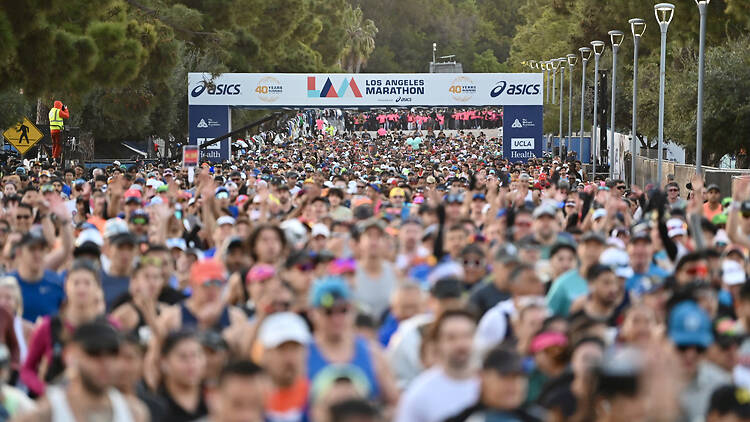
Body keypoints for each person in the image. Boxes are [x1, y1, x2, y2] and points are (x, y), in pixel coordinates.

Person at [16, 321, 149, 421]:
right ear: (71, 355)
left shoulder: (134, 413)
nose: (105, 363)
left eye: (112, 353)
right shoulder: (44, 414)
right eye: (94, 353)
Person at [307, 276, 398, 407]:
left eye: (343, 310)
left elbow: (395, 403)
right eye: (328, 312)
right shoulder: (302, 355)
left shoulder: (372, 352)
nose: (336, 318)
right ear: (312, 313)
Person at [21, 258, 106, 396]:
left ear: (97, 288)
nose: (81, 288)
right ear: (66, 285)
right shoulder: (49, 326)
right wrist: (45, 391)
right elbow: (27, 369)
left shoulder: (109, 327)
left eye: (87, 283)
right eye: (76, 282)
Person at [394, 309, 479, 422]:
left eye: (467, 336)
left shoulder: (493, 385)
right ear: (438, 343)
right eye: (451, 338)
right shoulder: (419, 393)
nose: (461, 344)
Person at [446, 347, 546, 422]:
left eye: (519, 376)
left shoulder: (539, 417)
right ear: (482, 376)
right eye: (505, 376)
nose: (514, 384)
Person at [257, 312, 311, 422]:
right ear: (265, 354)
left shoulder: (319, 396)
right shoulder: (251, 400)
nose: (289, 358)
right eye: (281, 349)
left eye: (295, 348)